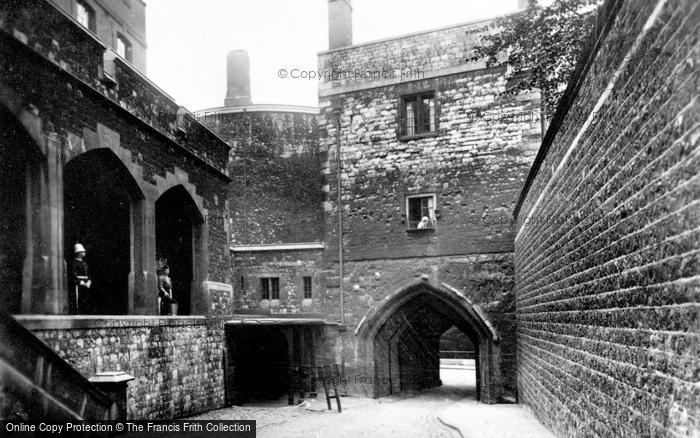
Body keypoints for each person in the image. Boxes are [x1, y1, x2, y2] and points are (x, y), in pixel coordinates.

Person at [71, 243, 91, 314]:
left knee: (86, 299)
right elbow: (74, 275)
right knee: (78, 300)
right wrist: (82, 283)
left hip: (86, 284)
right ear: (79, 253)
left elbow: (88, 274)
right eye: (82, 251)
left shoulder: (85, 263)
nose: (84, 253)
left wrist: (89, 281)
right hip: (79, 285)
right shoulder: (74, 263)